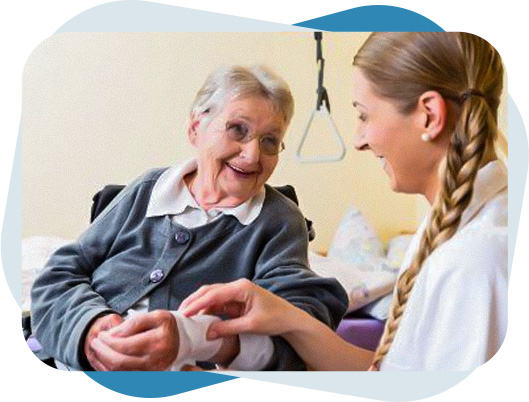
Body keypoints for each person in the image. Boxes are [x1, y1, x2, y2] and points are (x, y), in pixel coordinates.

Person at [179, 32, 508, 371]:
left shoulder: (475, 259)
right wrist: (289, 319)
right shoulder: (448, 232)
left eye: (364, 115)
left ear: (429, 115)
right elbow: (393, 377)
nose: (358, 141)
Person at [30, 65, 348, 371]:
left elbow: (302, 328)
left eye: (269, 141)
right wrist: (89, 329)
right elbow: (59, 276)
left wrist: (190, 336)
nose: (252, 155)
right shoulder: (148, 189)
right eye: (238, 129)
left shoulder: (278, 221)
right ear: (196, 128)